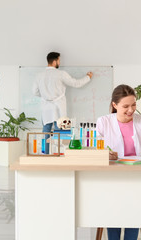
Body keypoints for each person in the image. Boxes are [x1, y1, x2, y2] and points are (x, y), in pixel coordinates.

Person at [96, 84, 141, 240]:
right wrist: (105, 154)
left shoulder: (140, 121)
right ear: (114, 105)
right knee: (113, 213)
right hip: (112, 176)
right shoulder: (103, 122)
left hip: (136, 176)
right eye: (125, 106)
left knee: (134, 214)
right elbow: (95, 148)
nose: (131, 110)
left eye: (134, 104)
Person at [32, 52, 93, 153]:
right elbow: (76, 83)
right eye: (59, 60)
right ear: (55, 61)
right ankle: (60, 155)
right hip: (59, 107)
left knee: (46, 132)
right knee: (60, 133)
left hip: (46, 107)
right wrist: (88, 77)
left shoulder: (39, 76)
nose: (60, 62)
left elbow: (34, 92)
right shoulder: (61, 74)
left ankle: (46, 155)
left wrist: (46, 97)